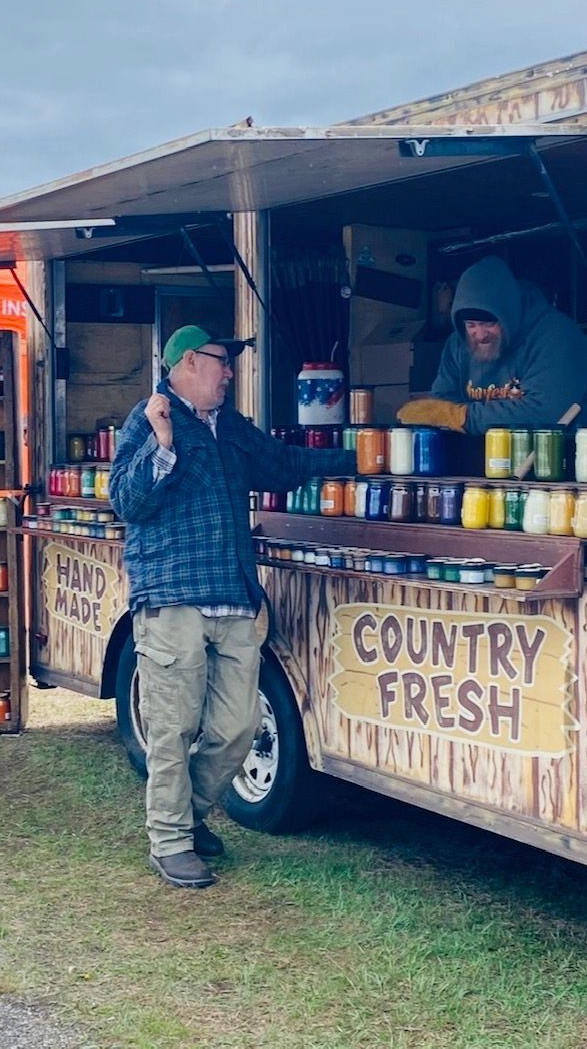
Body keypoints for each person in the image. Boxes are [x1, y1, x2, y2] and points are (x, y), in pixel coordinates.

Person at [110, 325, 354, 889]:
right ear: (190, 361)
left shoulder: (230, 425)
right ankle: (170, 841)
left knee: (239, 726)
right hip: (171, 597)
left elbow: (283, 465)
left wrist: (362, 457)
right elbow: (127, 502)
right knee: (173, 726)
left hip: (234, 594)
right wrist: (163, 446)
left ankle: (188, 817)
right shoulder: (147, 421)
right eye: (223, 362)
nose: (230, 372)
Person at [398, 256, 587, 432]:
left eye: (489, 323)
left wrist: (460, 416)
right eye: (471, 325)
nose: (480, 334)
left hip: (558, 459)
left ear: (507, 316)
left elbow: (546, 412)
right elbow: (441, 404)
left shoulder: (557, 336)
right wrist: (444, 414)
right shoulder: (458, 345)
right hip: (483, 460)